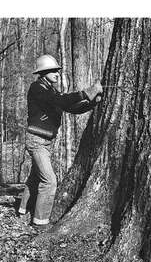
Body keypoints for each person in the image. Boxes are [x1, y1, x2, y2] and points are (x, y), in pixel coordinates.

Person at [18, 54, 103, 230]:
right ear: (42, 73)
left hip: (46, 142)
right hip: (37, 141)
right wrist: (85, 93)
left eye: (57, 70)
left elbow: (70, 107)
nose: (57, 73)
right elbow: (61, 101)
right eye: (52, 71)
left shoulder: (51, 90)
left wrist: (91, 103)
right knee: (49, 181)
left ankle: (22, 210)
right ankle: (40, 223)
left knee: (36, 178)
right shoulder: (37, 88)